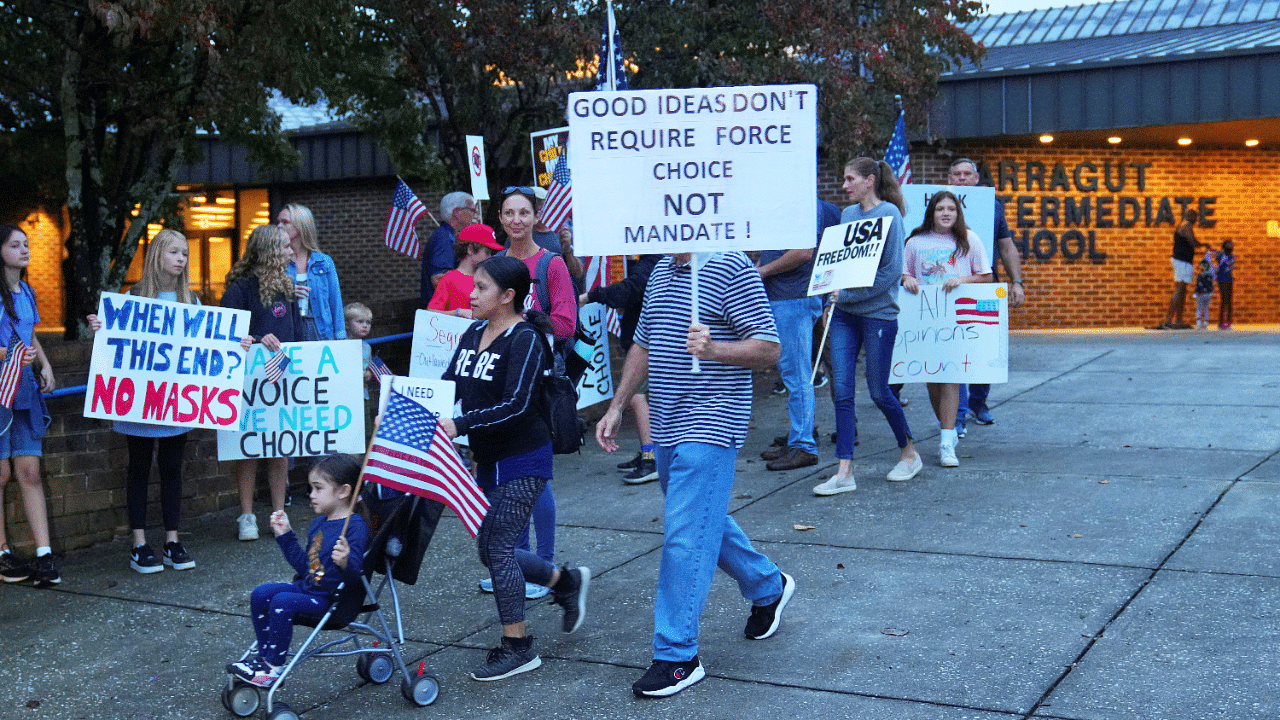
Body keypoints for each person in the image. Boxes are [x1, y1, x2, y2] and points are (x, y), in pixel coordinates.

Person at [596, 251, 795, 698]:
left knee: (684, 534)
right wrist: (617, 404)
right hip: (667, 422)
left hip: (713, 419)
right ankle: (768, 585)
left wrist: (714, 348)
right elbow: (643, 344)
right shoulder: (663, 269)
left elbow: (769, 346)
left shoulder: (732, 266)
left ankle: (677, 655)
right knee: (701, 519)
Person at [439, 255, 590, 682]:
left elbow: (517, 404)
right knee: (489, 549)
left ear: (508, 296)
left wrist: (460, 424)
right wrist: (402, 401)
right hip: (487, 457)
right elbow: (446, 386)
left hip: (524, 457)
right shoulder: (472, 333)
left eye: (481, 287)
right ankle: (565, 582)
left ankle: (518, 646)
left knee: (500, 548)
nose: (471, 293)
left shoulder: (525, 339)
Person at [86, 230, 251, 573]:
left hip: (175, 403)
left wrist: (237, 344)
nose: (181, 259)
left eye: (184, 254)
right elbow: (116, 347)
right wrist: (101, 329)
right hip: (141, 404)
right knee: (139, 468)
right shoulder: (131, 300)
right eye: (174, 252)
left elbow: (208, 349)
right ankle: (139, 544)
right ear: (157, 255)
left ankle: (172, 541)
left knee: (173, 469)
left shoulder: (192, 302)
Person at [815, 159, 923, 496]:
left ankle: (909, 453)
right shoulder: (848, 217)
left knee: (879, 391)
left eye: (850, 179)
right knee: (842, 391)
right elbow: (839, 264)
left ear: (869, 181)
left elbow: (890, 273)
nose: (844, 185)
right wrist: (828, 293)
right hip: (844, 314)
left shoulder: (889, 214)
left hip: (878, 314)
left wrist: (844, 292)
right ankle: (844, 470)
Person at [225, 454, 368, 688]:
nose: (311, 495)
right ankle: (264, 659)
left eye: (317, 488)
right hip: (308, 588)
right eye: (311, 488)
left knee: (282, 601)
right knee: (261, 593)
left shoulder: (355, 528)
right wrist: (286, 536)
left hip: (328, 600)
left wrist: (345, 563)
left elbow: (356, 580)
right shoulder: (319, 523)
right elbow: (305, 567)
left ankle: (273, 667)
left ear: (343, 492)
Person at [901, 191, 992, 468]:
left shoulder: (969, 239)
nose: (946, 213)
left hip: (956, 320)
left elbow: (986, 276)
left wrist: (961, 278)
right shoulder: (915, 242)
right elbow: (904, 272)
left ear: (958, 212)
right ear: (932, 212)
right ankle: (948, 429)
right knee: (932, 377)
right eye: (940, 208)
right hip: (925, 320)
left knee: (951, 375)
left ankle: (945, 442)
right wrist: (908, 280)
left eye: (951, 209)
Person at [222, 224, 298, 541]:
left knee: (280, 448)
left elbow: (297, 336)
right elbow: (225, 334)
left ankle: (279, 514)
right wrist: (253, 341)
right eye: (285, 247)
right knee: (249, 449)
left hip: (282, 378)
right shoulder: (240, 289)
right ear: (269, 252)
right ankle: (247, 515)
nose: (292, 252)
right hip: (250, 381)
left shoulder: (287, 287)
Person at [757, 199, 840, 472]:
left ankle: (804, 445)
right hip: (791, 297)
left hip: (793, 298)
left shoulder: (802, 204)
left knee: (797, 375)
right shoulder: (798, 203)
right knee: (795, 373)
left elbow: (804, 252)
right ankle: (798, 438)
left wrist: (762, 272)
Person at [947, 158, 1025, 429]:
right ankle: (956, 414)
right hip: (947, 285)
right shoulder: (937, 207)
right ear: (949, 179)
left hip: (985, 284)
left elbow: (1006, 247)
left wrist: (1017, 282)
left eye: (967, 174)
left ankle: (978, 403)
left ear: (977, 178)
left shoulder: (992, 207)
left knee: (984, 347)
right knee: (953, 348)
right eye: (956, 174)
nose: (962, 178)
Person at [0, 224, 57, 586]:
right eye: (15, 245)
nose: (24, 250)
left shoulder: (28, 291)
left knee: (29, 472)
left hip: (25, 391)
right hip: (1, 391)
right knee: (1, 475)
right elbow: (12, 345)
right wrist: (9, 354)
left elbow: (31, 334)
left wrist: (44, 364)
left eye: (26, 244)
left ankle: (44, 554)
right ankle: (3, 553)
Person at [581, 254, 663, 484]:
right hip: (642, 339)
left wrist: (591, 296)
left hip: (646, 342)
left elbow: (633, 288)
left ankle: (651, 457)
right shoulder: (653, 259)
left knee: (637, 395)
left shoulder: (653, 259)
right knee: (642, 395)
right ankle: (648, 451)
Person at [278, 203, 345, 342]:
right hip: (288, 329)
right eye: (278, 222)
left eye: (285, 222)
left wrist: (340, 336)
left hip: (320, 330)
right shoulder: (276, 261)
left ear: (301, 225)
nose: (279, 226)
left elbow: (335, 301)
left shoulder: (323, 262)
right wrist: (285, 292)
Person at [428, 223, 503, 317]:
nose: (490, 257)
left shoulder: (490, 277)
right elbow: (430, 313)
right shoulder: (449, 279)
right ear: (470, 250)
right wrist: (457, 312)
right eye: (487, 252)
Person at [420, 191, 477, 305]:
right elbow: (438, 278)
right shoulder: (444, 238)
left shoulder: (446, 235)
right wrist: (477, 279)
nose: (475, 215)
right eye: (472, 210)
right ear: (456, 212)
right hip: (442, 314)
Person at [1161, 209, 1208, 330]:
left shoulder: (1184, 225)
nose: (1196, 219)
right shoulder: (1186, 225)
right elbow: (1192, 241)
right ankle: (1168, 321)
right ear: (1191, 216)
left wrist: (1201, 245)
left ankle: (1179, 320)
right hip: (1182, 261)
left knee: (1182, 291)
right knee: (1180, 289)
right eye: (1195, 217)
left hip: (1183, 261)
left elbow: (1192, 241)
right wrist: (1203, 245)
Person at [1214, 239, 1235, 329]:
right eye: (1228, 245)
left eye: (1231, 245)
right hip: (1222, 279)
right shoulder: (1221, 256)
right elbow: (1217, 257)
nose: (1230, 246)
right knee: (1224, 300)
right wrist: (1221, 252)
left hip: (1229, 279)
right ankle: (1221, 322)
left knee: (1229, 301)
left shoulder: (1232, 257)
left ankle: (1228, 321)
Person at [1193, 258, 1215, 330]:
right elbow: (1211, 285)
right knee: (1206, 308)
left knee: (1199, 307)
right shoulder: (1210, 275)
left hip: (1201, 294)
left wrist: (1196, 292)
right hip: (1209, 294)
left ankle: (1199, 322)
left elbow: (1199, 285)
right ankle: (1206, 322)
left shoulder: (1200, 276)